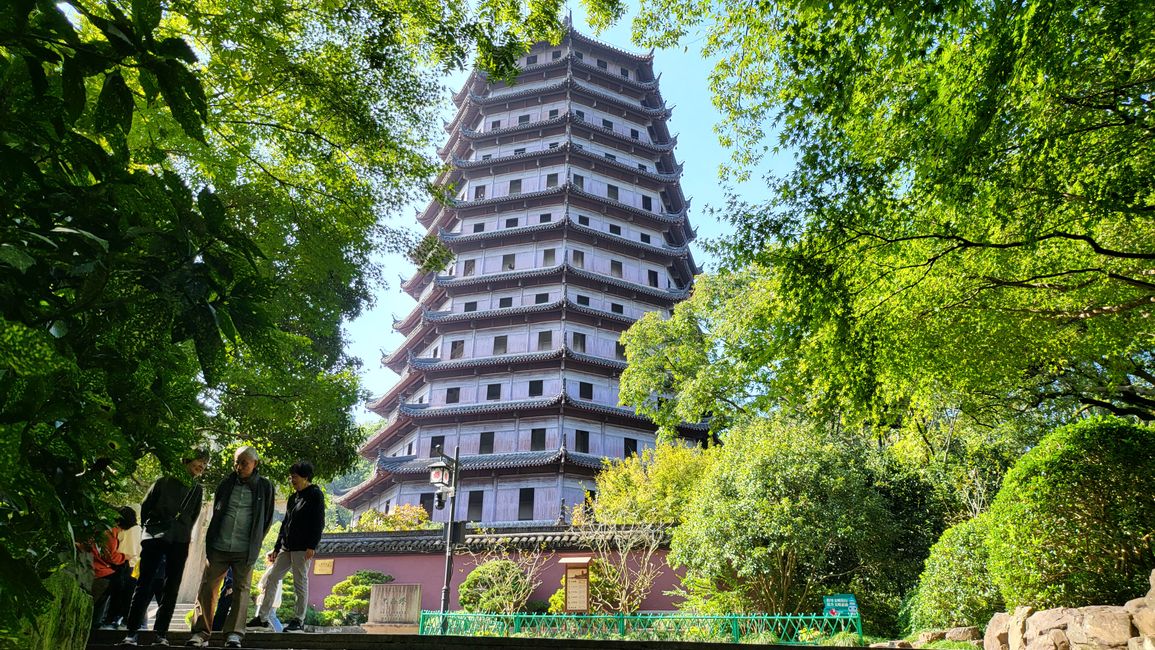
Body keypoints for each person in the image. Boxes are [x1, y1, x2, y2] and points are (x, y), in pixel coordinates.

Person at [185, 446, 274, 649]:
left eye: (244, 463)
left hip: (245, 549)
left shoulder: (265, 487)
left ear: (255, 464)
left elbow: (266, 519)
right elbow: (217, 511)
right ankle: (200, 633)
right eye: (237, 462)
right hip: (220, 545)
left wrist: (255, 542)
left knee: (241, 591)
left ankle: (234, 634)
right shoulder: (226, 484)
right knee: (208, 588)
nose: (239, 466)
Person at [119, 451, 208, 647]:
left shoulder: (197, 489)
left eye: (204, 463)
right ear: (187, 460)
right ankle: (131, 632)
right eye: (199, 461)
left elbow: (193, 516)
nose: (201, 466)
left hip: (180, 540)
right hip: (155, 536)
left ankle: (161, 634)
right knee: (144, 583)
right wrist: (149, 529)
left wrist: (183, 532)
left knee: (172, 587)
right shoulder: (164, 480)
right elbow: (146, 504)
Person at [246, 461, 324, 633]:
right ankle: (263, 618)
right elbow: (285, 524)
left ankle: (299, 620)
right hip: (287, 547)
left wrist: (312, 545)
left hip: (303, 548)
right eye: (291, 477)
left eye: (294, 476)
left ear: (305, 477)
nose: (292, 480)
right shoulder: (292, 498)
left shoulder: (315, 494)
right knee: (272, 578)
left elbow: (318, 522)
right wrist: (276, 547)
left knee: (300, 583)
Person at [101, 506, 139, 629]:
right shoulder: (137, 529)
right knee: (127, 594)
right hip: (132, 564)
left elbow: (119, 549)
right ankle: (122, 622)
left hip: (122, 563)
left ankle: (110, 620)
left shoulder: (122, 531)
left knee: (117, 594)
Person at [90, 510, 130, 628]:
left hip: (97, 567)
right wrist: (125, 557)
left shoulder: (101, 529)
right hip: (99, 569)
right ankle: (106, 620)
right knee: (117, 584)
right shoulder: (110, 533)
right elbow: (111, 556)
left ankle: (102, 621)